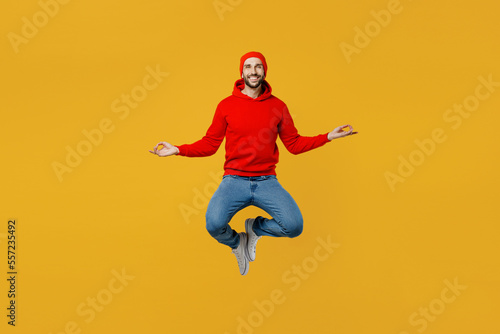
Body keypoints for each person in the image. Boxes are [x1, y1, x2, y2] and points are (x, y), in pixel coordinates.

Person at [150, 51, 356, 275]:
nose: (253, 71)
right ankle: (237, 243)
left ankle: (255, 228)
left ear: (264, 71)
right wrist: (178, 149)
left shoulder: (278, 107)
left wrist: (327, 137)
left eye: (258, 66)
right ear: (242, 72)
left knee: (294, 226)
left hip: (267, 181)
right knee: (214, 224)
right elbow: (210, 144)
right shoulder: (226, 106)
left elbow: (294, 144)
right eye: (248, 67)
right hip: (234, 181)